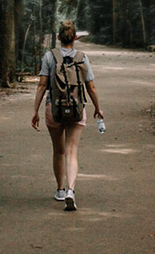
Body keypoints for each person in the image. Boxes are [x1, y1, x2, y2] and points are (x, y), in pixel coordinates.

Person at [31, 20, 103, 211]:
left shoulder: (49, 56)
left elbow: (42, 85)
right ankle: (71, 190)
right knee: (72, 152)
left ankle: (60, 189)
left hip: (53, 109)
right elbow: (91, 87)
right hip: (77, 109)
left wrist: (35, 111)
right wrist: (98, 108)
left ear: (58, 38)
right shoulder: (82, 57)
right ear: (75, 38)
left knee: (59, 150)